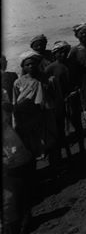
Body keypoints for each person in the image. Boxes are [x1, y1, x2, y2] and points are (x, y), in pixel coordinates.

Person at [3, 84, 36, 234]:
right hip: (10, 154)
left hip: (12, 150)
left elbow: (9, 111)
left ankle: (24, 220)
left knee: (19, 190)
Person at [45, 41, 85, 158]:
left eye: (65, 52)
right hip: (58, 102)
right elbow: (46, 86)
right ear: (54, 54)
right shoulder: (50, 68)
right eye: (59, 53)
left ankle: (82, 148)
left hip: (72, 99)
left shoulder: (73, 64)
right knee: (61, 128)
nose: (62, 55)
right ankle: (68, 152)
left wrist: (76, 90)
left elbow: (79, 79)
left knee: (77, 124)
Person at [12, 53, 53, 161]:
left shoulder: (45, 78)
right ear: (23, 67)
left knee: (49, 140)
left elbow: (51, 96)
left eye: (33, 63)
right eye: (27, 64)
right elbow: (15, 102)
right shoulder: (18, 82)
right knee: (31, 143)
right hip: (27, 116)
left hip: (43, 113)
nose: (31, 66)